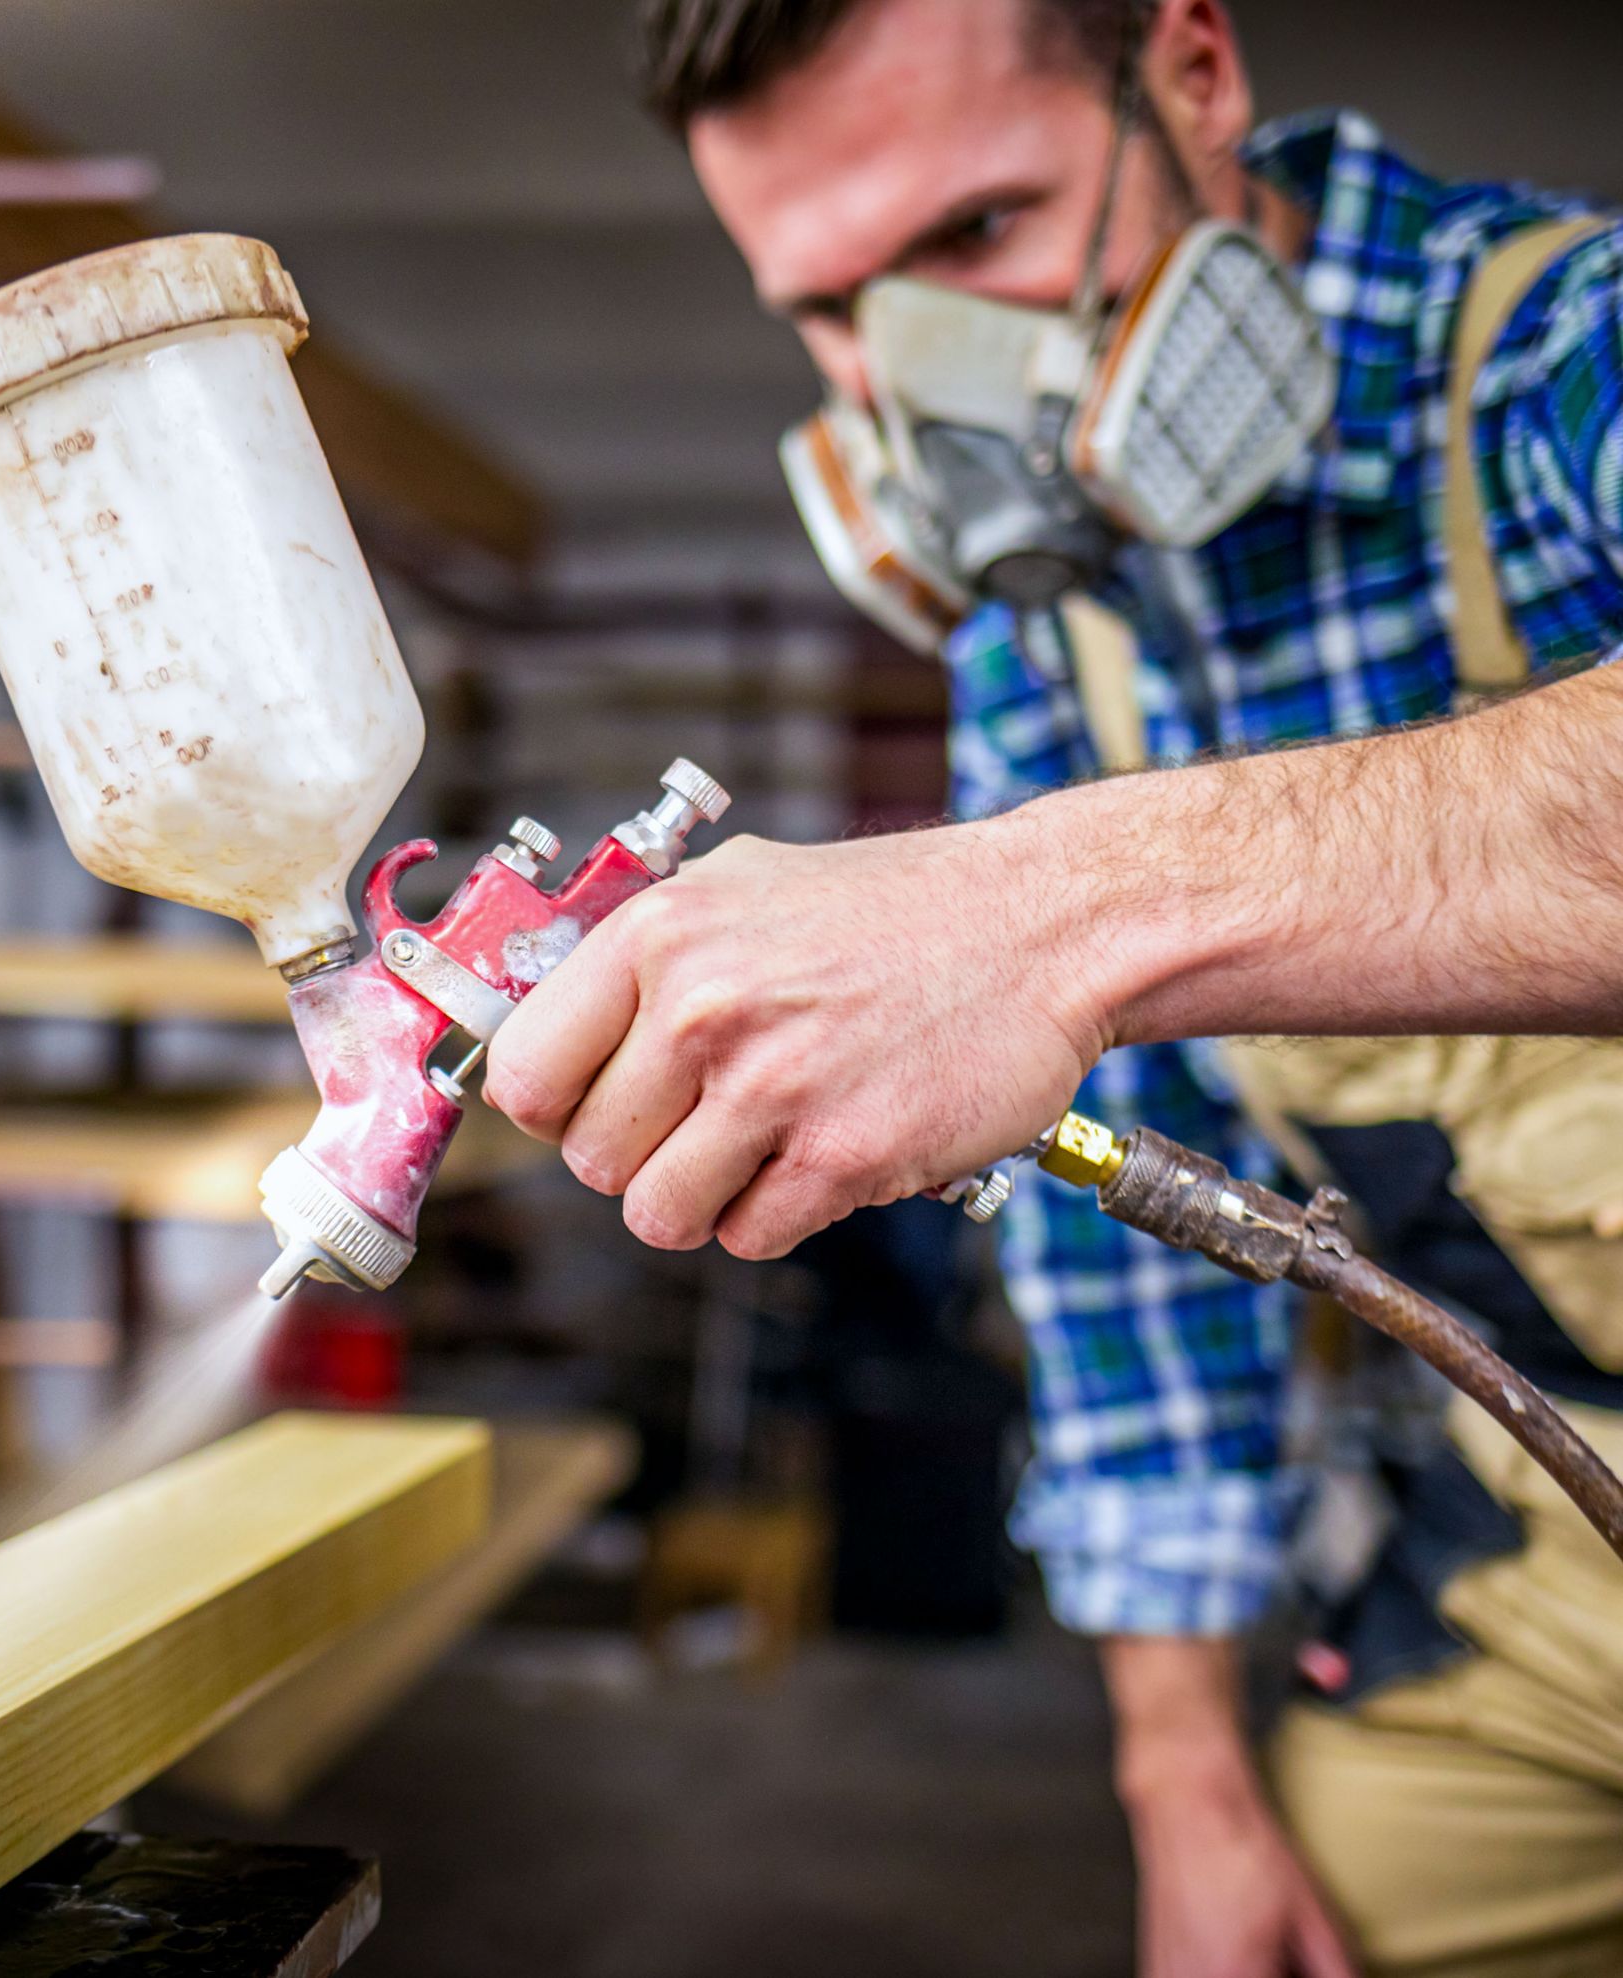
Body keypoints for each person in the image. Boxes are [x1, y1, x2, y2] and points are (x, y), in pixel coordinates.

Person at [483, 2, 1623, 1973]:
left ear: (1189, 79)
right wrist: (1180, 1771)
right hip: (1540, 1512)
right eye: (829, 305)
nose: (917, 373)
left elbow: (1051, 948)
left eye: (976, 234)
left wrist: (1053, 907)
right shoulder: (1050, 651)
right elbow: (1122, 1235)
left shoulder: (1557, 358)